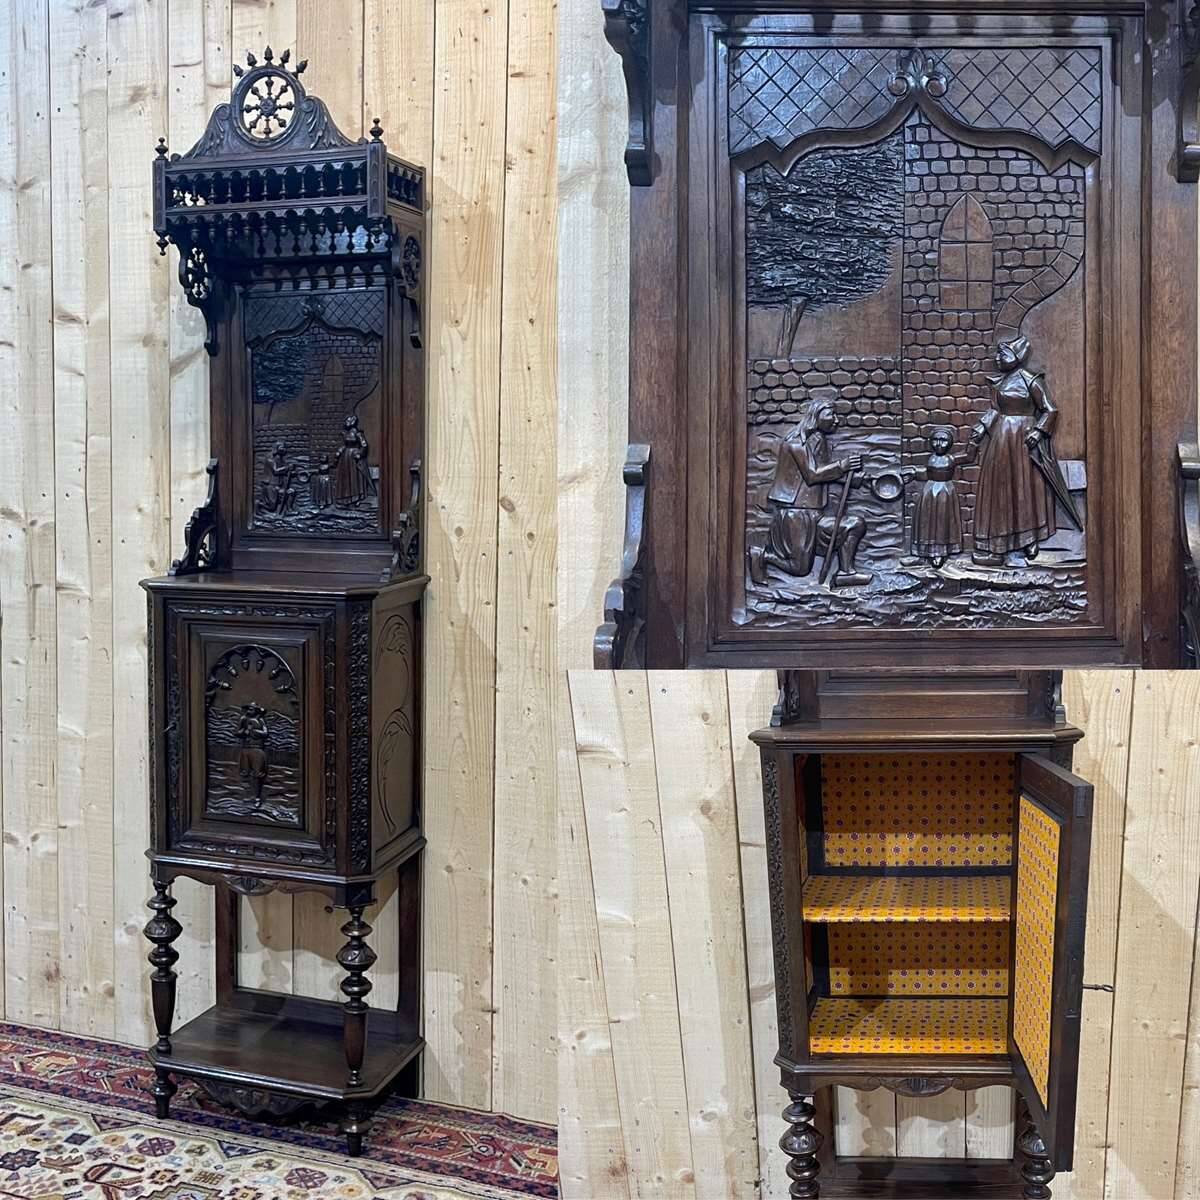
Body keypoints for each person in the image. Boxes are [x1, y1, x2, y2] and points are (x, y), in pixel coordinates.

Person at [748, 402, 872, 588]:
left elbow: (824, 472)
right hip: (795, 515)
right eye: (831, 415)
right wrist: (843, 465)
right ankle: (762, 556)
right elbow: (813, 475)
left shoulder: (818, 440)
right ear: (816, 416)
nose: (836, 420)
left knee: (854, 525)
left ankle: (846, 573)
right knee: (800, 569)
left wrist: (852, 479)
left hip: (816, 514)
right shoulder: (795, 443)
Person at [969, 336, 1057, 565]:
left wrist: (1038, 432)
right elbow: (995, 409)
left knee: (1025, 488)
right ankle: (1000, 543)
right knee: (1001, 488)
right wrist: (982, 426)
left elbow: (1049, 410)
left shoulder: (1031, 381)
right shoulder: (1000, 382)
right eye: (997, 355)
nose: (997, 359)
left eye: (1003, 355)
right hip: (1001, 437)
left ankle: (1029, 538)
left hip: (1024, 438)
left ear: (1017, 357)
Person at [909, 426, 976, 568]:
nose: (939, 444)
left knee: (942, 523)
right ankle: (924, 552)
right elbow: (926, 474)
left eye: (943, 441)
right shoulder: (931, 459)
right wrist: (914, 474)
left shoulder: (950, 459)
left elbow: (969, 456)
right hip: (929, 492)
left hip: (946, 493)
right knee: (927, 523)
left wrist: (974, 441)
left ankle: (941, 552)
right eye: (935, 440)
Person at [335, 415, 372, 506]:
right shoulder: (345, 433)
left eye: (347, 421)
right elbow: (345, 444)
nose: (346, 422)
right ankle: (346, 498)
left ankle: (357, 497)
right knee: (346, 477)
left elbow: (364, 445)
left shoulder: (358, 434)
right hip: (346, 457)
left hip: (354, 457)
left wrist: (360, 454)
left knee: (355, 477)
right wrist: (340, 451)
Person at [236, 702, 270, 799]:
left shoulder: (261, 720)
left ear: (256, 711)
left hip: (257, 749)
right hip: (246, 748)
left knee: (258, 774)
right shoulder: (243, 719)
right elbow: (237, 732)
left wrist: (253, 731)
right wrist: (244, 731)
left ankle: (257, 796)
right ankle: (246, 795)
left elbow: (265, 733)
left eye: (252, 709)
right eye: (248, 709)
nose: (249, 711)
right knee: (244, 773)